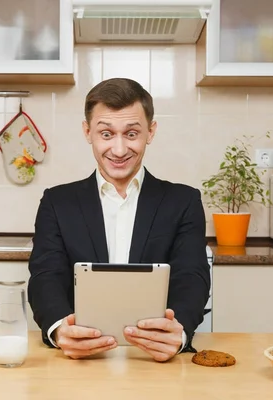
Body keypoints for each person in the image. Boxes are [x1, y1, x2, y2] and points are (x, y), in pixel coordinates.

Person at [27, 77, 211, 362]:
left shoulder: (184, 201)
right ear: (88, 132)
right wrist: (59, 330)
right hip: (82, 360)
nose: (119, 149)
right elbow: (45, 277)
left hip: (155, 360)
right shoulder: (57, 203)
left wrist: (180, 333)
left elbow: (192, 276)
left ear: (151, 132)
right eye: (106, 134)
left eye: (132, 134)